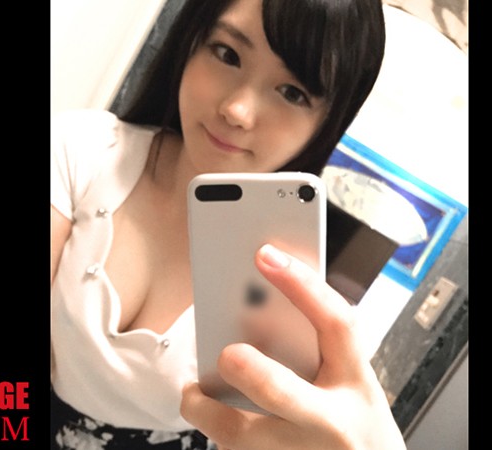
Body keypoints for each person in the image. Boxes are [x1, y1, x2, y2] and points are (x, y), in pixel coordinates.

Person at [50, 0, 406, 448]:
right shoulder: (82, 150)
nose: (237, 110)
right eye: (227, 54)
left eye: (292, 92)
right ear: (191, 40)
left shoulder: (306, 288)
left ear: (328, 122)